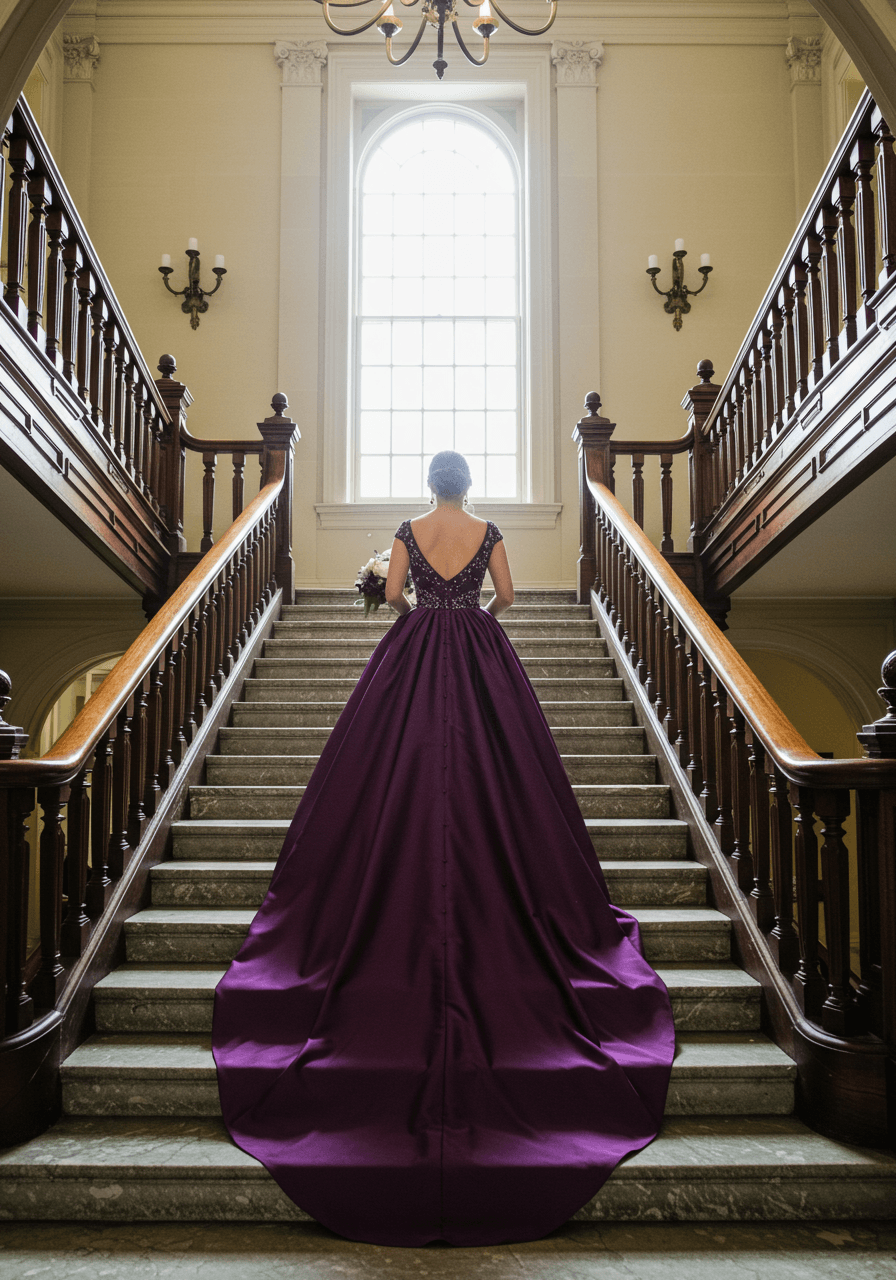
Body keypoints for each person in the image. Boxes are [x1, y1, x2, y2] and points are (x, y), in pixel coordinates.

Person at [213, 450, 675, 1247]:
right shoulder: (489, 530)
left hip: (418, 650)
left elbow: (394, 594)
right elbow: (508, 598)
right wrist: (473, 617)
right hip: (481, 654)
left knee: (392, 764)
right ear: (470, 486)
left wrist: (415, 607)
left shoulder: (408, 529)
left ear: (432, 485)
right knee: (505, 768)